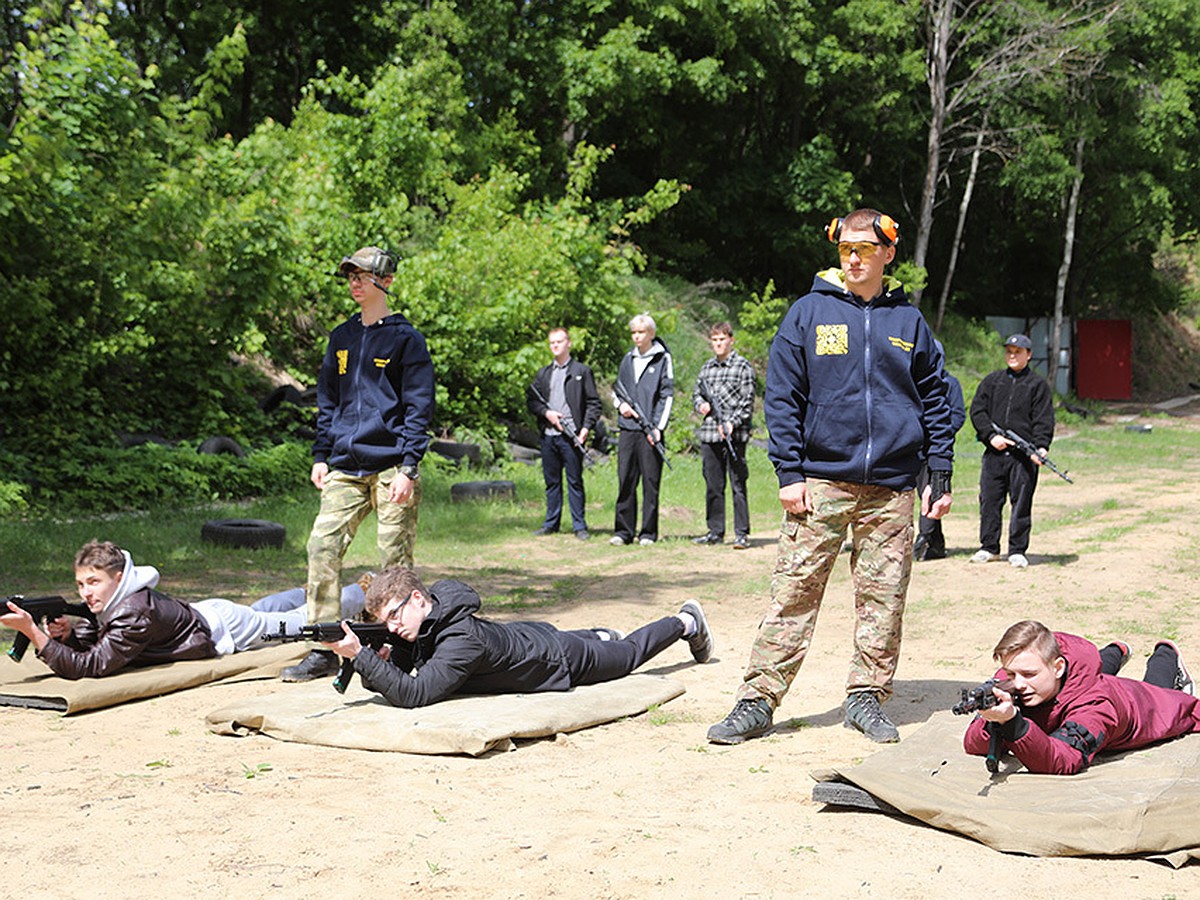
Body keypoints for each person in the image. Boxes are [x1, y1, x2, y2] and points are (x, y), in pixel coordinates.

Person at [706, 209, 956, 746]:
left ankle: (866, 698)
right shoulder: (808, 313)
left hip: (892, 487)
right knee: (793, 591)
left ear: (889, 253)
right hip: (819, 481)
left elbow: (937, 396)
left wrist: (940, 468)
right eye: (846, 248)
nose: (855, 257)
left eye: (866, 248)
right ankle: (757, 699)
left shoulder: (908, 322)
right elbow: (782, 397)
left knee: (884, 598)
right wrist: (789, 471)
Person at [285, 246, 436, 682]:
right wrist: (320, 455)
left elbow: (418, 406)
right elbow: (328, 401)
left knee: (394, 566)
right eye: (349, 276)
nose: (354, 283)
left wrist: (409, 466)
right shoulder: (341, 337)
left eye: (362, 276)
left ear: (384, 282)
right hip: (345, 466)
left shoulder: (407, 339)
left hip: (392, 467)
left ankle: (403, 648)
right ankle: (324, 648)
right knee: (321, 547)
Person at [321, 566, 714, 707]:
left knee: (627, 655)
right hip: (524, 638)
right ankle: (598, 634)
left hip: (557, 659)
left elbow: (415, 694)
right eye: (384, 622)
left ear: (419, 598)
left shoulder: (461, 639)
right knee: (589, 639)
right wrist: (372, 657)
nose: (392, 628)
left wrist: (360, 654)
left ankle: (684, 621)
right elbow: (396, 677)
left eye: (394, 616)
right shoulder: (428, 622)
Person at [0, 540, 367, 679]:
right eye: (81, 585)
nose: (86, 592)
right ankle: (303, 592)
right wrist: (66, 634)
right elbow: (99, 639)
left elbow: (94, 665)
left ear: (117, 576)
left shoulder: (133, 612)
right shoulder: (121, 601)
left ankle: (362, 591)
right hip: (210, 613)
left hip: (223, 628)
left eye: (93, 583)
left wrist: (35, 633)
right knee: (265, 612)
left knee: (302, 622)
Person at [963, 620, 1199, 775]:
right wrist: (992, 721)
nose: (1019, 684)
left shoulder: (1097, 705)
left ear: (1057, 667)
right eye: (1011, 673)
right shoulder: (1019, 677)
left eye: (1028, 675)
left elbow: (1064, 760)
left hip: (1137, 704)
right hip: (1074, 685)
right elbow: (972, 744)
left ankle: (1167, 655)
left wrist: (1013, 724)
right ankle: (1115, 652)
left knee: (1160, 694)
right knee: (1093, 667)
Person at [967, 333, 1055, 569]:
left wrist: (1040, 447)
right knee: (989, 501)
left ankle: (1017, 550)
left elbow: (1044, 420)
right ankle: (989, 547)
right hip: (994, 454)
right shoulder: (992, 381)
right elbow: (978, 411)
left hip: (1022, 458)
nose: (1012, 356)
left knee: (1021, 503)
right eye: (1009, 351)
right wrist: (991, 436)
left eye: (1017, 352)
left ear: (1029, 355)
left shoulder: (1038, 386)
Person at [526, 327, 602, 541]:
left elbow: (594, 403)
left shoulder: (581, 371)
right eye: (552, 343)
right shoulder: (543, 373)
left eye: (559, 342)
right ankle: (551, 523)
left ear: (569, 343)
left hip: (572, 437)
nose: (555, 346)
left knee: (575, 482)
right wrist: (547, 413)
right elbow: (532, 400)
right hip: (548, 436)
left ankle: (580, 526)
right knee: (552, 482)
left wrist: (585, 428)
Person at [610, 314, 674, 546]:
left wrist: (658, 428)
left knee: (650, 482)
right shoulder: (627, 359)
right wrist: (621, 406)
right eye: (634, 333)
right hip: (627, 429)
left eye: (641, 332)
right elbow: (616, 391)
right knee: (625, 480)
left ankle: (648, 532)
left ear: (651, 334)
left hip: (650, 432)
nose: (637, 336)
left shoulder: (662, 359)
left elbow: (667, 395)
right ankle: (623, 531)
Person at [691, 322, 755, 550]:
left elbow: (747, 403)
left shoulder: (742, 367)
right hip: (709, 434)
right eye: (715, 340)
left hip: (734, 436)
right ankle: (715, 531)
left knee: (738, 484)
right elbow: (696, 393)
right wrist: (701, 406)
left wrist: (731, 423)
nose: (718, 344)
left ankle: (741, 533)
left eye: (722, 339)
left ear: (731, 340)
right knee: (713, 485)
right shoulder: (707, 368)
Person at [913, 344, 966, 561]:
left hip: (937, 450)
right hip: (915, 447)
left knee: (933, 492)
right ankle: (937, 546)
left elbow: (957, 415)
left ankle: (923, 537)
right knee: (923, 493)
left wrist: (940, 436)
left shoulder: (950, 383)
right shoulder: (914, 383)